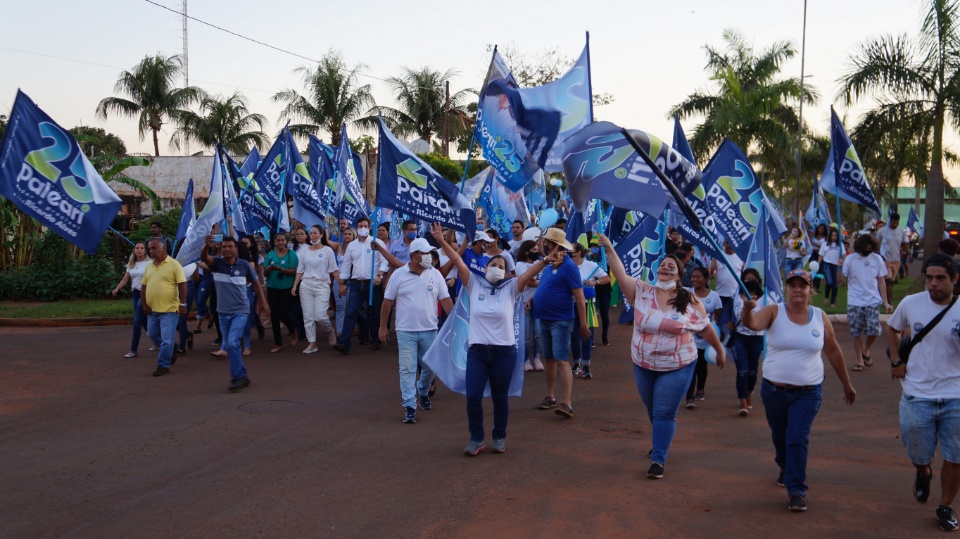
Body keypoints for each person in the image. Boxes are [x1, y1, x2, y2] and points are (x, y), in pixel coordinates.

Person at [598, 235, 724, 479]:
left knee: (665, 411)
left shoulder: (689, 300)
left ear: (678, 275)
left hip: (677, 365)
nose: (665, 267)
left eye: (672, 266)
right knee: (654, 410)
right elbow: (619, 272)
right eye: (663, 264)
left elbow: (706, 328)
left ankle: (658, 459)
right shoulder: (641, 291)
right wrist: (609, 247)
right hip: (643, 363)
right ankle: (660, 440)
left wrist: (718, 350)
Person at [741, 268, 855, 512]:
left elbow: (833, 350)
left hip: (808, 391)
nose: (797, 290)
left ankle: (796, 489)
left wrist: (846, 383)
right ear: (785, 289)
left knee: (796, 437)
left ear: (810, 290)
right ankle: (784, 463)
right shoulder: (773, 311)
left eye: (802, 286)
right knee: (780, 437)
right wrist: (746, 310)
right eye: (792, 285)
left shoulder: (819, 316)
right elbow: (752, 324)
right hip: (774, 391)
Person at [433, 223, 543, 455]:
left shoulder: (512, 287)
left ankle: (499, 436)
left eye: (501, 266)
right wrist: (442, 241)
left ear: (506, 271)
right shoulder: (474, 285)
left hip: (504, 353)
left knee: (499, 397)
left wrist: (547, 258)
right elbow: (459, 261)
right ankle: (476, 438)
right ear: (485, 267)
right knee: (473, 395)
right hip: (478, 352)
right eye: (493, 264)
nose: (496, 267)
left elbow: (531, 273)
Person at [887, 254, 960, 531]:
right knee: (918, 452)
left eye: (940, 278)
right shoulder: (911, 303)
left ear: (954, 279)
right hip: (917, 394)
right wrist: (896, 361)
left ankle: (946, 506)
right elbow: (892, 328)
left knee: (956, 456)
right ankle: (923, 471)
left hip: (956, 394)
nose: (932, 283)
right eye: (929, 277)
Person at [379, 237, 454, 424]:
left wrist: (454, 323)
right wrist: (382, 327)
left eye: (430, 253)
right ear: (414, 255)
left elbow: (445, 300)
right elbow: (387, 301)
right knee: (407, 369)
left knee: (431, 367)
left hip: (430, 329)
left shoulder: (435, 274)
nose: (429, 256)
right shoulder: (398, 275)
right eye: (425, 253)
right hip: (405, 331)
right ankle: (410, 406)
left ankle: (422, 390)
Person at [533, 228, 590, 419]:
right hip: (546, 319)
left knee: (562, 360)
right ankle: (550, 396)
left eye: (549, 243)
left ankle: (567, 403)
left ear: (556, 245)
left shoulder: (569, 267)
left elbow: (580, 297)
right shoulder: (551, 266)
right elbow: (545, 288)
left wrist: (583, 323)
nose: (546, 246)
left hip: (561, 320)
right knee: (549, 358)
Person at [201, 235, 269, 392]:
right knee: (233, 346)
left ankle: (237, 377)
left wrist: (264, 303)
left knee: (232, 343)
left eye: (230, 246)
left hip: (240, 311)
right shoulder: (216, 264)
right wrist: (206, 245)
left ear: (236, 249)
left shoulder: (244, 265)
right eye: (224, 246)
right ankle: (243, 375)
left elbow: (256, 283)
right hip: (222, 313)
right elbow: (204, 257)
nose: (227, 249)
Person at [336, 217, 389, 354]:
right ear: (357, 227)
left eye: (365, 225)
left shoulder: (377, 243)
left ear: (370, 227)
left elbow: (385, 262)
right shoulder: (352, 245)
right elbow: (346, 265)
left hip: (373, 284)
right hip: (355, 284)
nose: (363, 228)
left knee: (374, 313)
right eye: (360, 226)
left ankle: (374, 340)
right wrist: (342, 283)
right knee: (351, 312)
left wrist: (380, 275)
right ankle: (344, 343)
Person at [842, 234, 893, 370]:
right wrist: (838, 267)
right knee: (856, 332)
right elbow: (842, 279)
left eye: (871, 249)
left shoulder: (877, 259)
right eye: (866, 249)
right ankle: (860, 360)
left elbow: (881, 281)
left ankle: (866, 349)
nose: (868, 251)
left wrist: (885, 302)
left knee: (874, 329)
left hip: (873, 300)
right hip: (854, 300)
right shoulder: (850, 259)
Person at [140, 238, 187, 377]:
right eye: (150, 248)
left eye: (154, 248)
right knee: (152, 334)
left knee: (167, 339)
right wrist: (144, 303)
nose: (151, 251)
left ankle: (163, 365)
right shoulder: (149, 266)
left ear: (164, 248)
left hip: (169, 310)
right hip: (152, 309)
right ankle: (170, 349)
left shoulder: (174, 264)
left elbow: (182, 285)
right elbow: (144, 286)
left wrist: (182, 304)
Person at [292, 225, 340, 354]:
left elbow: (334, 269)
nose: (312, 235)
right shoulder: (305, 251)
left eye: (315, 233)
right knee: (308, 316)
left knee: (320, 315)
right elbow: (300, 270)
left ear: (321, 235)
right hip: (306, 285)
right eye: (311, 233)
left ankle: (329, 330)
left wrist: (341, 283)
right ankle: (312, 343)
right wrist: (295, 285)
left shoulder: (328, 251)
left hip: (322, 285)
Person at [570, 243, 609, 379]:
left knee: (586, 334)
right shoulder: (568, 266)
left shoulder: (591, 266)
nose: (569, 253)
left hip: (588, 305)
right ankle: (576, 362)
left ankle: (586, 365)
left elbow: (606, 278)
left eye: (572, 250)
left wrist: (594, 283)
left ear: (579, 252)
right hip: (572, 305)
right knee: (574, 334)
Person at [685, 266, 723, 409]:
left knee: (702, 365)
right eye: (693, 277)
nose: (694, 279)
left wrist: (714, 332)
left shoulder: (714, 296)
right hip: (689, 336)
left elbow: (718, 317)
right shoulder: (687, 293)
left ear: (706, 279)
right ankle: (690, 397)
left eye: (698, 277)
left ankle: (700, 389)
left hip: (705, 337)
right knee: (691, 366)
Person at [732, 273, 766, 416]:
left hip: (757, 339)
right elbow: (732, 314)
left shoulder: (766, 299)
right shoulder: (737, 298)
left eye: (753, 280)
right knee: (742, 371)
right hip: (740, 338)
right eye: (747, 279)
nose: (750, 282)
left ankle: (749, 394)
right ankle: (742, 402)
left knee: (753, 371)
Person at [111, 242, 152, 358]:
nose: (139, 250)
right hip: (135, 293)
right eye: (137, 248)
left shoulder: (150, 263)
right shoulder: (131, 264)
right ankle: (155, 339)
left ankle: (133, 350)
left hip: (145, 293)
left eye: (141, 248)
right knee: (143, 320)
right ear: (134, 250)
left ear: (145, 250)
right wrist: (117, 288)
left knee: (137, 320)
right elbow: (125, 279)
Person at [263, 233, 299, 353]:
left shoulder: (291, 254)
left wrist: (281, 269)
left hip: (286, 287)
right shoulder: (271, 254)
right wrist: (268, 270)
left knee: (283, 313)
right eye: (278, 241)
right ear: (274, 242)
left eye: (282, 240)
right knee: (274, 315)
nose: (280, 242)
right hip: (273, 287)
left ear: (286, 241)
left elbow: (294, 271)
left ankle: (293, 330)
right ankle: (278, 343)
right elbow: (265, 273)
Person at [514, 240, 543, 372]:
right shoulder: (520, 265)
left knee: (538, 332)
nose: (536, 252)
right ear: (526, 252)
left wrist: (538, 282)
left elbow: (536, 281)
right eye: (533, 250)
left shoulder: (540, 263)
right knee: (525, 334)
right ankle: (525, 359)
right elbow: (528, 282)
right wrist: (541, 282)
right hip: (523, 302)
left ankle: (536, 357)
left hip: (539, 301)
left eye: (537, 249)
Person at [877, 213, 911, 301]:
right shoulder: (882, 231)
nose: (895, 224)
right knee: (888, 280)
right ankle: (888, 300)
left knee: (891, 281)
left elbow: (903, 244)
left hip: (896, 260)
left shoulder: (901, 231)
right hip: (885, 259)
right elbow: (876, 244)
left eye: (897, 222)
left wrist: (909, 254)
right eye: (893, 222)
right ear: (890, 221)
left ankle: (884, 297)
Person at [334, 227, 356, 335]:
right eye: (345, 234)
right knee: (340, 306)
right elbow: (325, 240)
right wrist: (326, 225)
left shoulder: (357, 248)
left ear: (354, 235)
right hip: (339, 280)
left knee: (352, 307)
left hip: (352, 281)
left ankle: (354, 327)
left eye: (349, 234)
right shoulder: (339, 247)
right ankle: (339, 330)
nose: (347, 236)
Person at [712, 240, 744, 310]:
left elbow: (744, 274)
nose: (729, 245)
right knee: (720, 318)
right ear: (724, 243)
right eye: (727, 243)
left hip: (735, 295)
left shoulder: (741, 257)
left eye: (732, 243)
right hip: (720, 294)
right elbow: (709, 272)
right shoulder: (718, 256)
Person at [817, 227, 845, 308]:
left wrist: (843, 262)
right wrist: (818, 265)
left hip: (836, 265)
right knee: (829, 282)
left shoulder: (840, 245)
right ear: (830, 236)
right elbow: (821, 255)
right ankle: (826, 297)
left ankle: (832, 302)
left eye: (835, 236)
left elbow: (844, 255)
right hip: (827, 265)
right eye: (832, 235)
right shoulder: (825, 244)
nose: (834, 237)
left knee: (835, 284)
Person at [810, 224, 828, 293]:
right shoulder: (813, 236)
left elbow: (825, 247)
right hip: (813, 254)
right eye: (820, 228)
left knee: (819, 270)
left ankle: (817, 287)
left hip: (821, 255)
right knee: (812, 270)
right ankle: (811, 286)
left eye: (823, 229)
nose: (821, 230)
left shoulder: (825, 238)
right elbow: (810, 243)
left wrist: (817, 245)